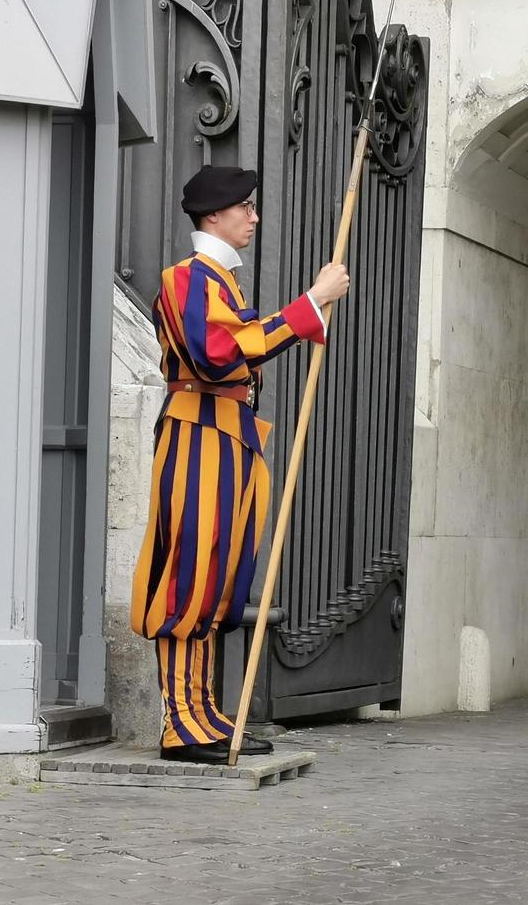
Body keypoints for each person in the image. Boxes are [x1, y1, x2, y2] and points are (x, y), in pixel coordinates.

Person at [130, 165, 350, 764]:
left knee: (219, 579)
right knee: (190, 577)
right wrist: (309, 305)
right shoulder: (187, 279)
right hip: (198, 435)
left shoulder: (219, 281)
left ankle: (201, 710)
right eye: (244, 207)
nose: (253, 217)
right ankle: (180, 721)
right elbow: (218, 355)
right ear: (214, 215)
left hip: (227, 439)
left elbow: (241, 341)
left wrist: (300, 315)